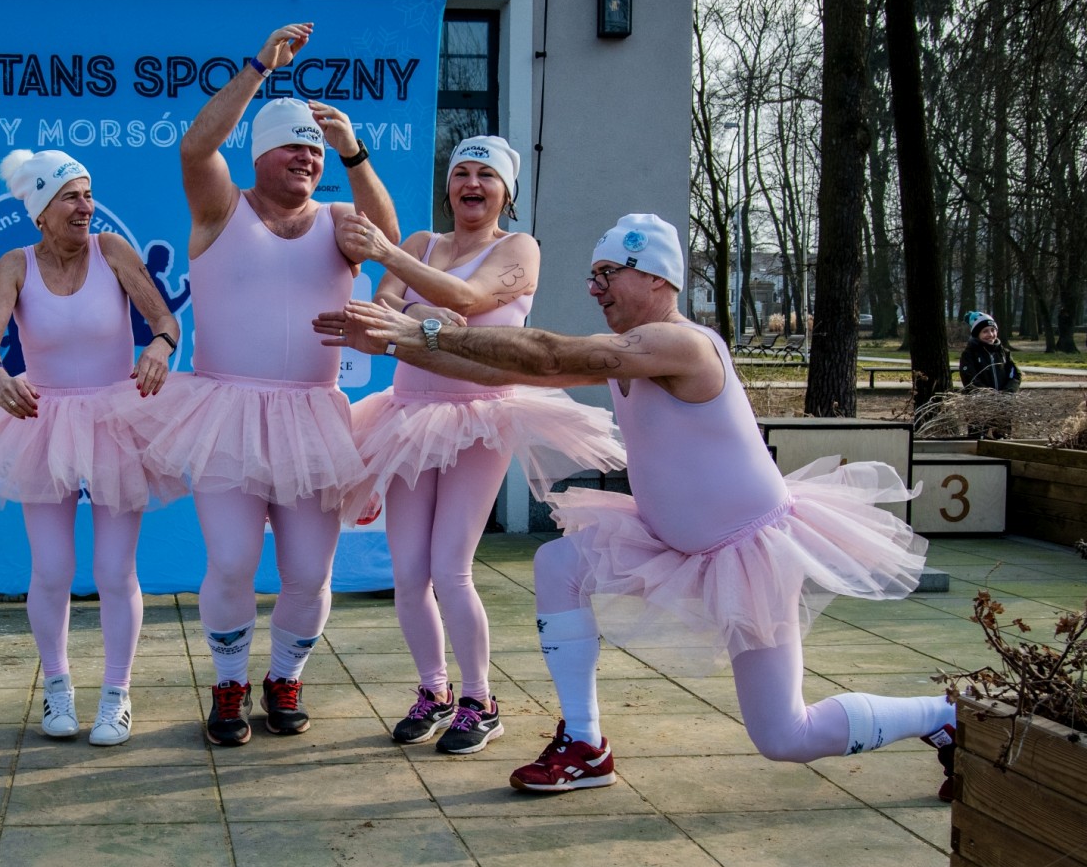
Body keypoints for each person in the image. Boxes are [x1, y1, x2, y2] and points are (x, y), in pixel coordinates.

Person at [324, 214, 957, 799]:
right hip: (667, 538)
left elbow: (548, 353)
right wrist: (395, 343)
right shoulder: (632, 348)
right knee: (558, 565)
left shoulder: (680, 345)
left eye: (609, 273)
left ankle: (942, 716)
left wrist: (427, 328)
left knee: (785, 735)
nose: (594, 287)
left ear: (657, 277)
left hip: (747, 553)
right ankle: (584, 744)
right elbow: (507, 374)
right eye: (592, 275)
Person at [139, 22, 400, 746]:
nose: (308, 158)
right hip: (226, 412)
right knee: (230, 561)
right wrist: (259, 67)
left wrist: (353, 152)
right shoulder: (221, 208)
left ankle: (285, 676)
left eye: (315, 151)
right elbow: (195, 149)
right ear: (259, 155)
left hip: (312, 418)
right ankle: (229, 684)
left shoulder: (340, 220)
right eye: (294, 147)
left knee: (310, 572)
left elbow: (388, 238)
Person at [328, 136, 626, 754]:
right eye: (461, 172)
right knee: (409, 572)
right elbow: (384, 313)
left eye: (486, 174)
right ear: (448, 187)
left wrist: (394, 269)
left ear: (505, 193)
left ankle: (479, 699)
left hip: (479, 417)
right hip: (408, 415)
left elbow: (467, 298)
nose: (471, 182)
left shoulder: (518, 248)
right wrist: (420, 318)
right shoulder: (421, 243)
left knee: (450, 567)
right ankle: (433, 690)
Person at [0, 149, 183, 746]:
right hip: (41, 419)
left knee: (115, 570)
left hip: (116, 420)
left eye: (88, 194)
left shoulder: (112, 250)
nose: (85, 206)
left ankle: (116, 696)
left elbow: (165, 323)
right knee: (51, 569)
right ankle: (58, 688)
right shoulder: (14, 264)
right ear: (41, 211)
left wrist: (159, 348)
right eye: (71, 196)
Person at [958, 311, 1022, 440]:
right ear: (977, 334)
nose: (990, 334)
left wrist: (1007, 392)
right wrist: (987, 394)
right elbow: (970, 378)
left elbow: (1015, 374)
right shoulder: (970, 353)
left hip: (1002, 404)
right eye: (985, 331)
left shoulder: (1003, 353)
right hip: (979, 404)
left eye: (993, 330)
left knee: (1003, 438)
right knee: (977, 438)